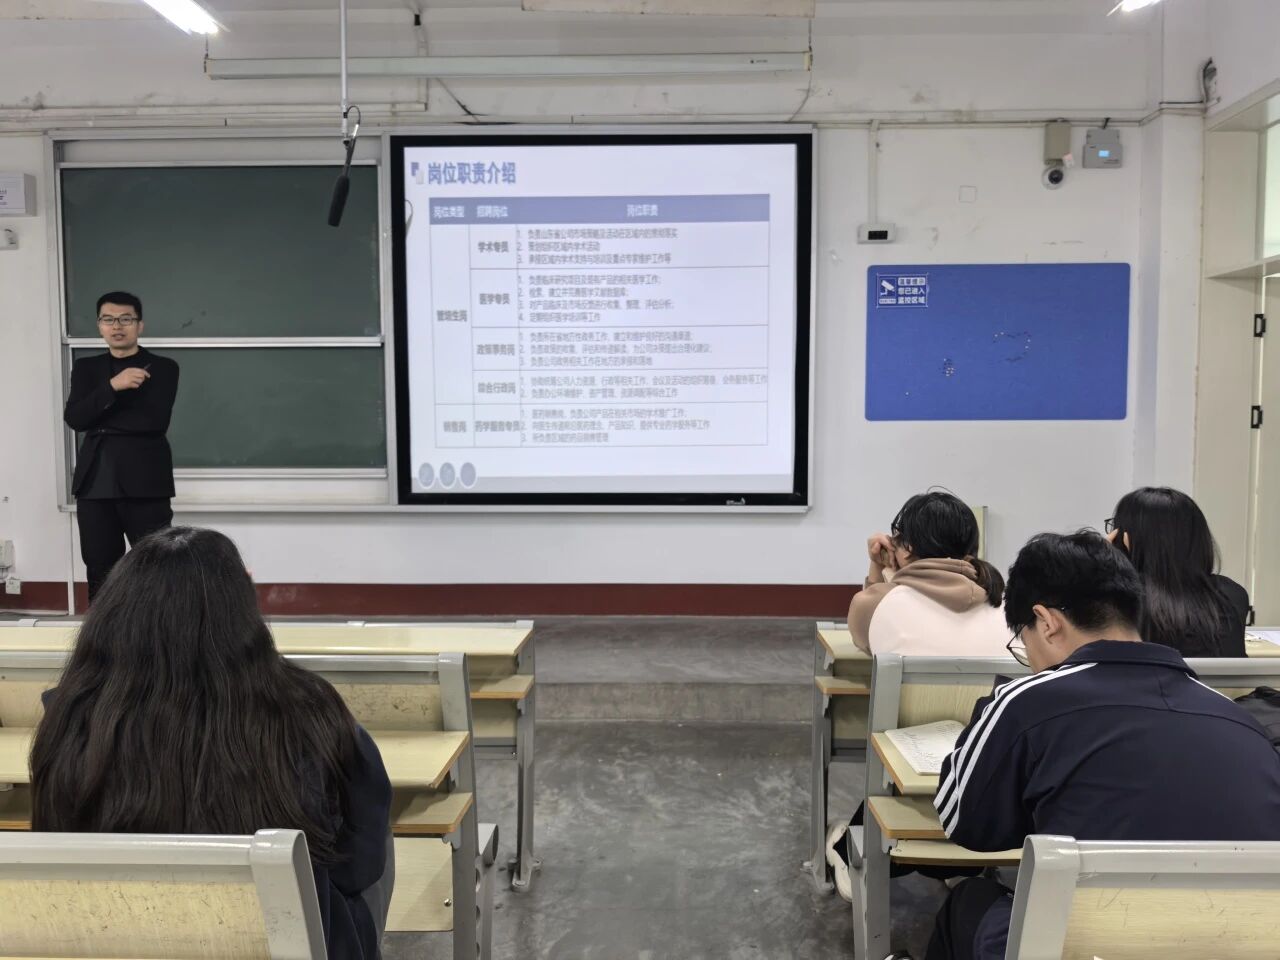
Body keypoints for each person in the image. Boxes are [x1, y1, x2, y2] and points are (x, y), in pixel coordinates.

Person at [30, 526, 393, 959]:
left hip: (114, 941)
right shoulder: (308, 711)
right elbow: (361, 864)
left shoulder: (70, 716)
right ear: (242, 611)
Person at [925, 531, 1280, 960]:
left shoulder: (1027, 702)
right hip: (1232, 945)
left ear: (1046, 621)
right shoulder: (1237, 720)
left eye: (1023, 642)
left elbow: (964, 822)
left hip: (1085, 945)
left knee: (969, 901)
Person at [827, 493, 1011, 901]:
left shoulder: (880, 603)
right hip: (982, 764)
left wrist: (879, 570)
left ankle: (849, 853)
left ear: (905, 547)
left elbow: (863, 634)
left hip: (907, 758)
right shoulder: (1005, 605)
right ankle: (960, 866)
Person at [63, 291, 180, 603]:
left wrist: (99, 419)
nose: (117, 326)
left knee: (156, 568)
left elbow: (153, 421)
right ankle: (103, 633)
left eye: (125, 319)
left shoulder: (163, 367)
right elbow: (75, 418)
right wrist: (113, 386)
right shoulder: (86, 368)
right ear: (99, 326)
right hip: (95, 481)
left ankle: (158, 631)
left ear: (139, 325)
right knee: (99, 568)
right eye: (108, 319)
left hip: (146, 481)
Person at [847, 491, 1008, 657]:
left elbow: (865, 640)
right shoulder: (1006, 608)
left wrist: (878, 564)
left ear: (908, 547)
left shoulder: (874, 605)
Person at [1107, 486, 1249, 657]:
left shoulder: (1118, 598)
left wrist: (1106, 562)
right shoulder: (1232, 594)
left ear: (1125, 540)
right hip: (1207, 678)